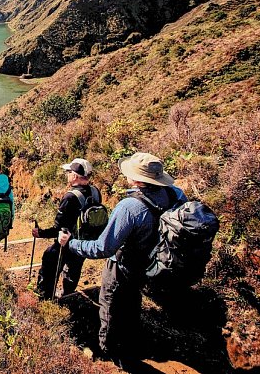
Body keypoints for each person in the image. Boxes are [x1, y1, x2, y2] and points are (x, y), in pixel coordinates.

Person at [58, 152, 187, 365]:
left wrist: (70, 243)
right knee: (132, 300)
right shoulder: (175, 195)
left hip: (125, 265)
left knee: (110, 304)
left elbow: (103, 248)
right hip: (157, 262)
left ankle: (109, 353)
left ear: (136, 179)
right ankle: (132, 338)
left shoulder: (130, 207)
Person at [32, 158, 100, 299]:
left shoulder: (70, 197)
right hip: (84, 242)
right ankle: (68, 294)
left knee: (50, 261)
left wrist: (41, 233)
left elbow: (59, 227)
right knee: (74, 268)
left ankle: (45, 298)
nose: (67, 174)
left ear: (75, 176)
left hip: (66, 243)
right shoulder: (95, 192)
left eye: (69, 172)